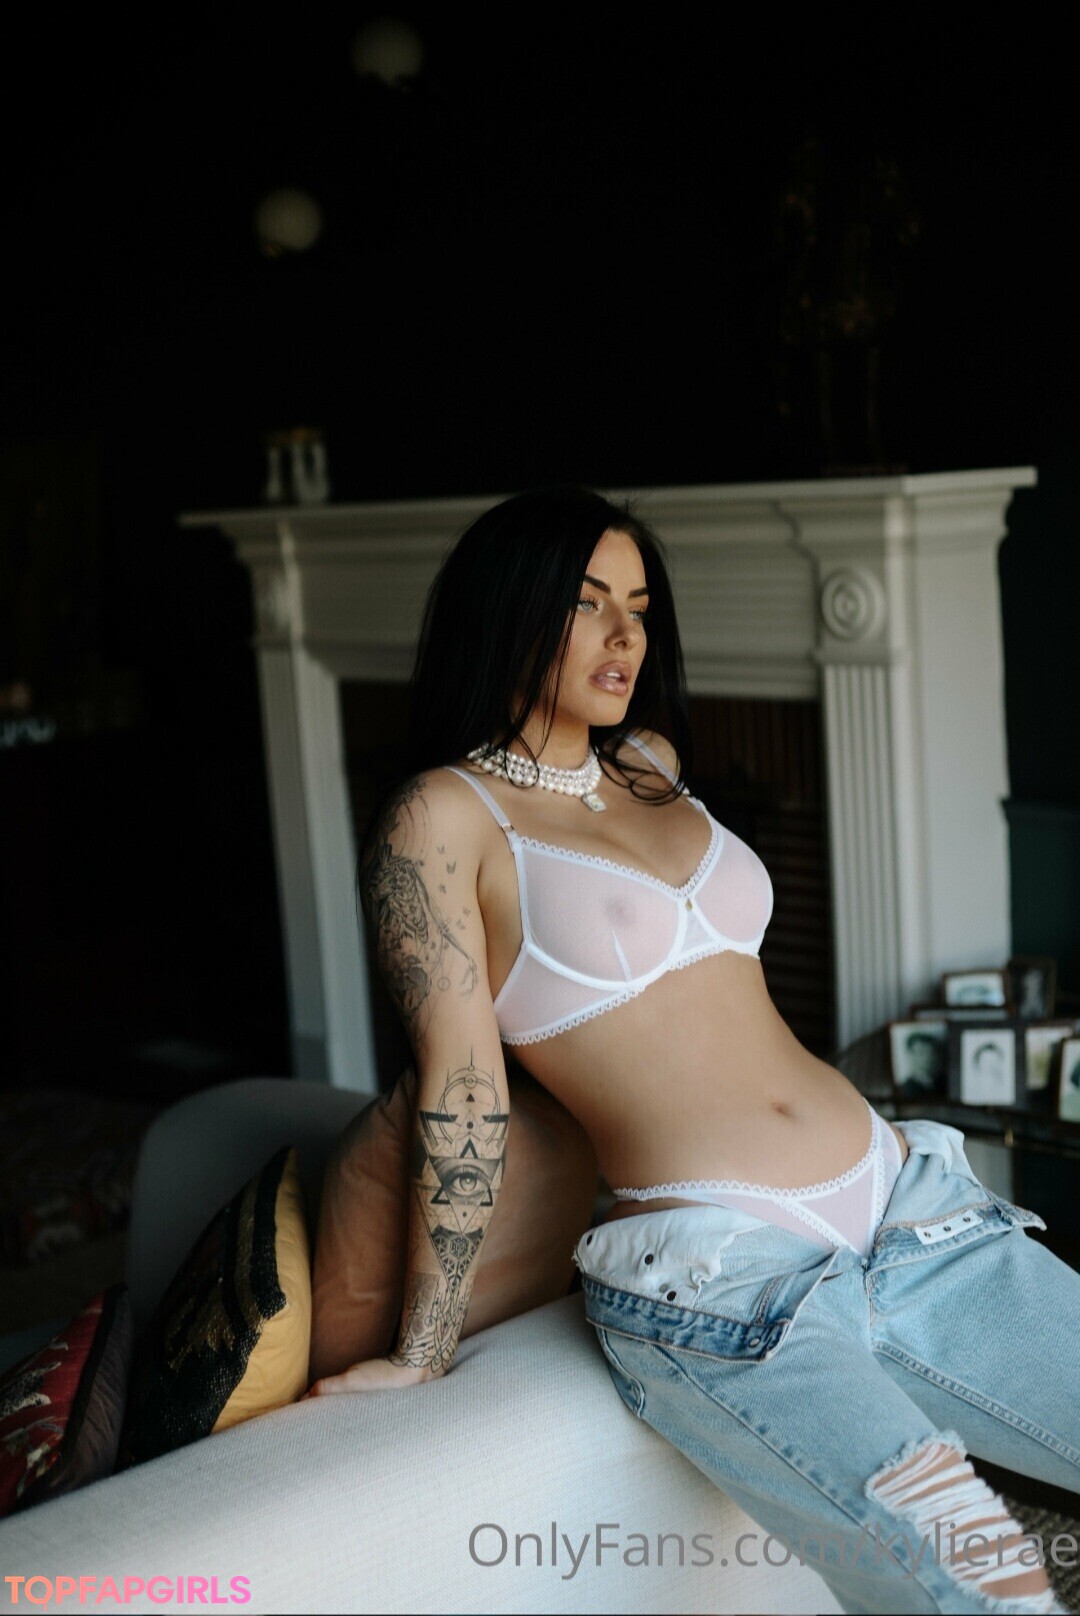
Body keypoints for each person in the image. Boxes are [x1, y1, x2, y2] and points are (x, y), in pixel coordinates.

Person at [305, 488, 1075, 1614]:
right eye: (587, 603)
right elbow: (461, 1089)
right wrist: (421, 1350)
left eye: (639, 606)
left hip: (912, 1208)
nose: (625, 634)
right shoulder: (443, 818)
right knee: (987, 1576)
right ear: (509, 609)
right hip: (727, 1275)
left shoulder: (650, 762)